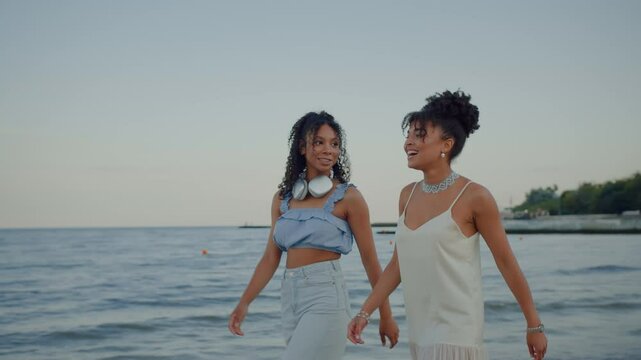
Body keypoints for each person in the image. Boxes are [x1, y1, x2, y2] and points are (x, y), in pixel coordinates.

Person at [347, 91, 548, 360]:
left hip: (457, 333)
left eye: (419, 135)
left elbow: (506, 262)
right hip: (419, 331)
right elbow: (398, 264)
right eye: (407, 135)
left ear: (446, 144)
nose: (408, 143)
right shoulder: (407, 195)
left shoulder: (475, 196)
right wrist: (365, 312)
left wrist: (533, 324)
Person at [228, 111, 399, 360]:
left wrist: (386, 315)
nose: (328, 150)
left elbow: (371, 262)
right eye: (319, 142)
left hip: (326, 296)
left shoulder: (349, 197)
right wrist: (245, 302)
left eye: (334, 144)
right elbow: (270, 258)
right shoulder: (282, 199)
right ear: (302, 147)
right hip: (290, 298)